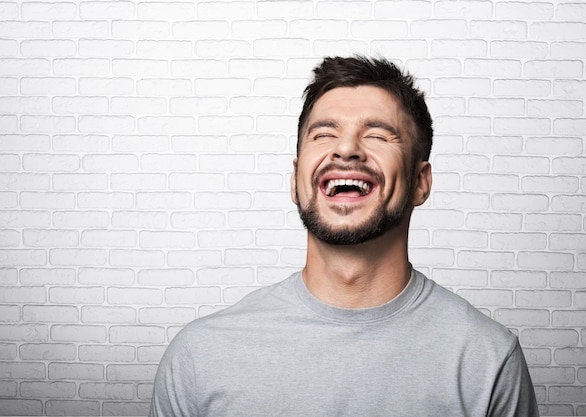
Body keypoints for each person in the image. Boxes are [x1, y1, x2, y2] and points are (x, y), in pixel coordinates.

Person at [149, 56, 539, 417]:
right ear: (297, 177)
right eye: (323, 135)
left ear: (421, 182)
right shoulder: (199, 355)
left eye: (378, 135)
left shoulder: (488, 360)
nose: (347, 149)